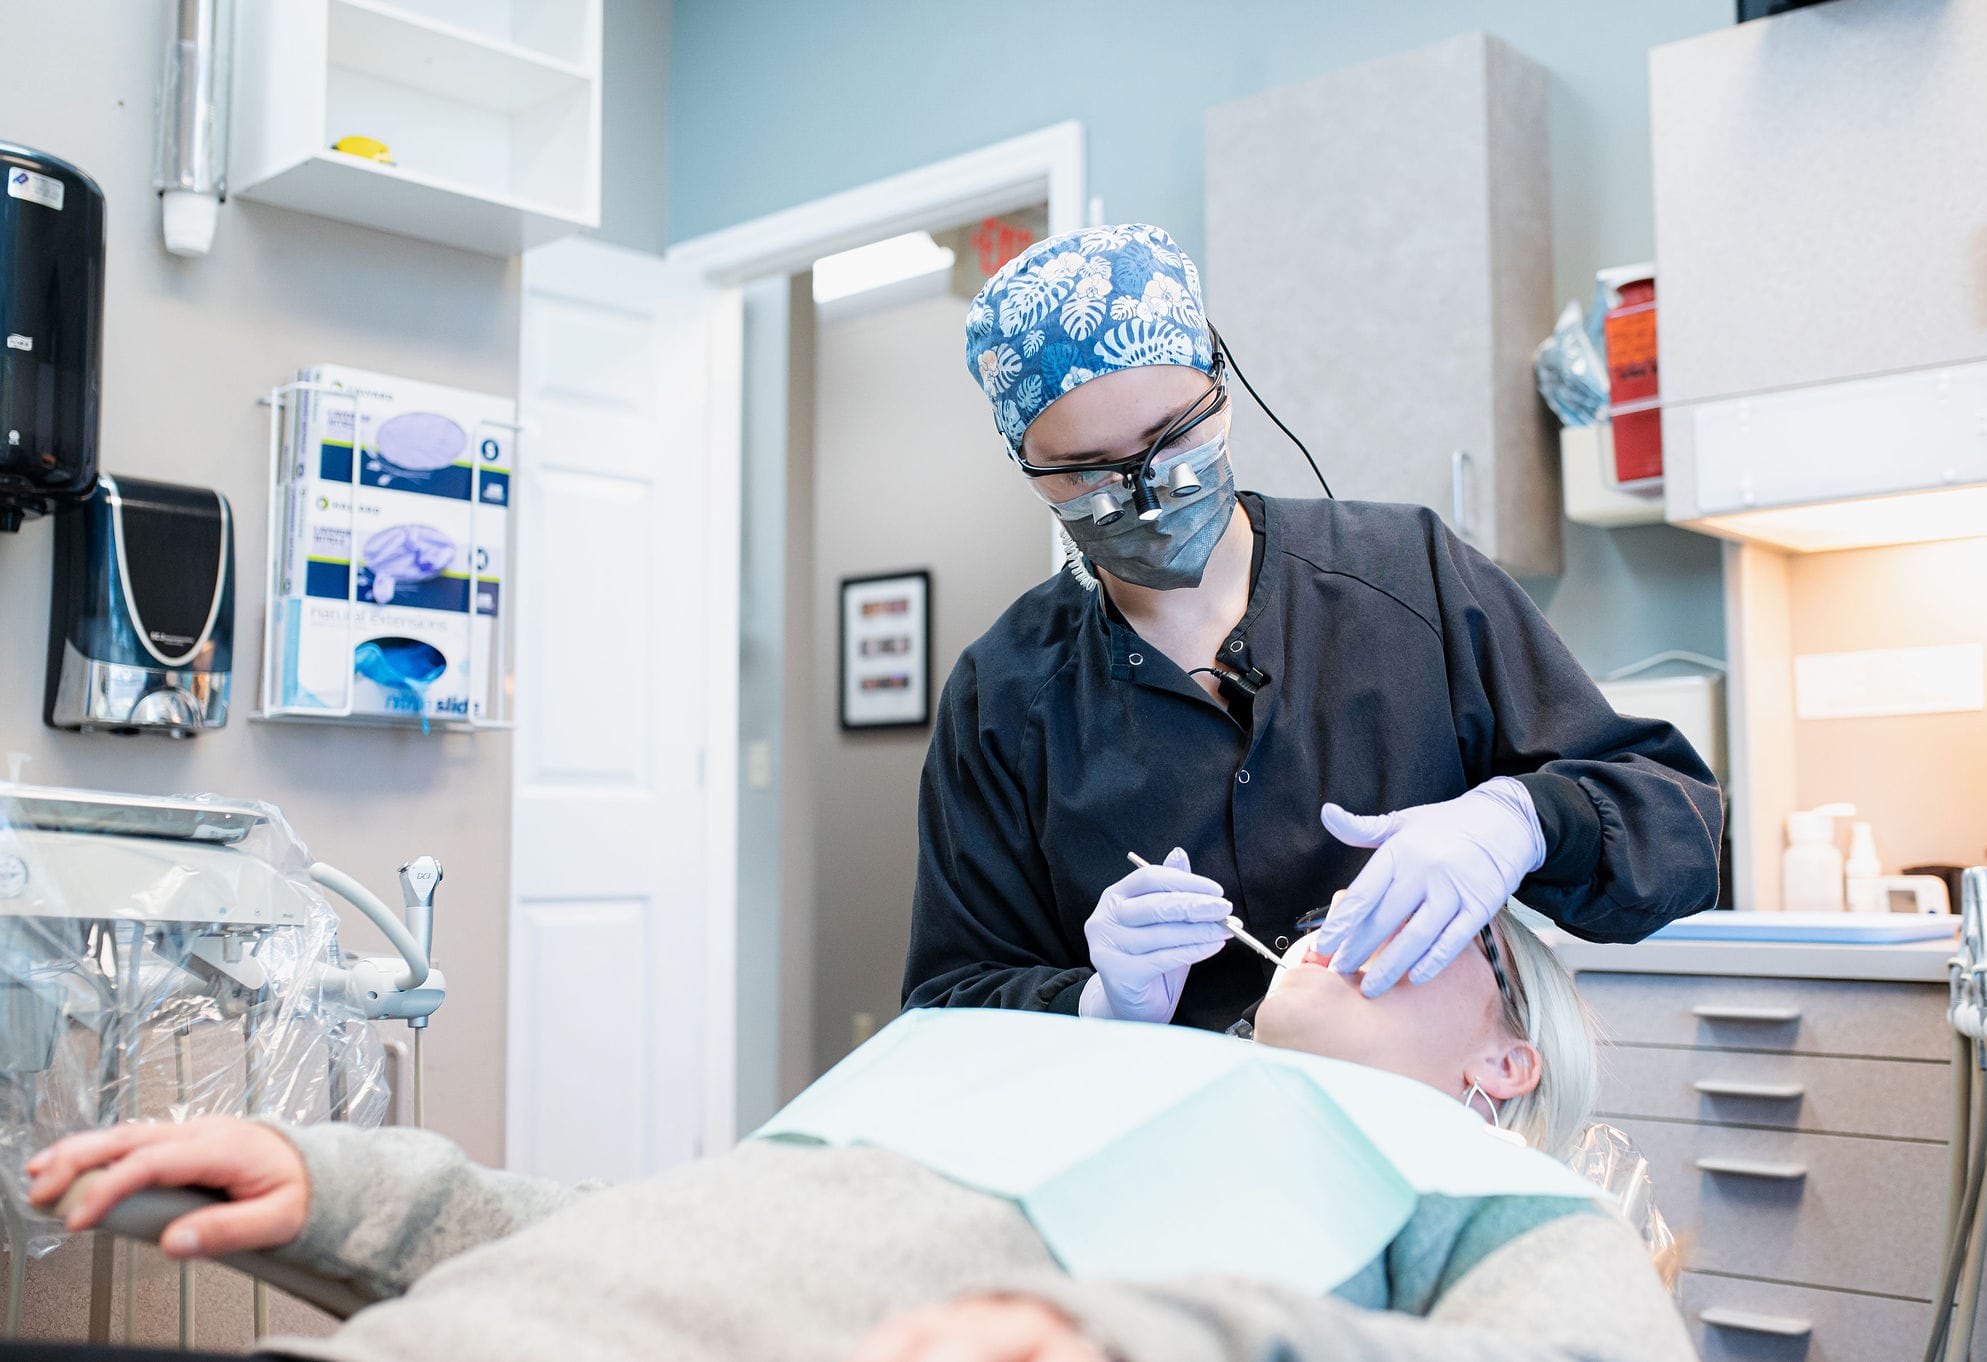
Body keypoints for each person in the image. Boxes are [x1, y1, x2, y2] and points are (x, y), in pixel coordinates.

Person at [17, 915, 1693, 1362]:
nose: (1346, 912)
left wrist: (1141, 1333)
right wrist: (362, 1186)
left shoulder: (1494, 1190)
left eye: (1431, 921)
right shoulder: (1061, 1064)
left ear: (1504, 1062)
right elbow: (682, 1234)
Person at [904, 222, 1723, 1032]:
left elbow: (1675, 823)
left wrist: (1523, 821)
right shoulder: (1004, 696)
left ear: (1222, 388)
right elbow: (946, 1008)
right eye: (1088, 472)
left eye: (1172, 439)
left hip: (1422, 1127)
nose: (1148, 492)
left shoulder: (1408, 576)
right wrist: (1095, 1004)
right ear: (1029, 468)